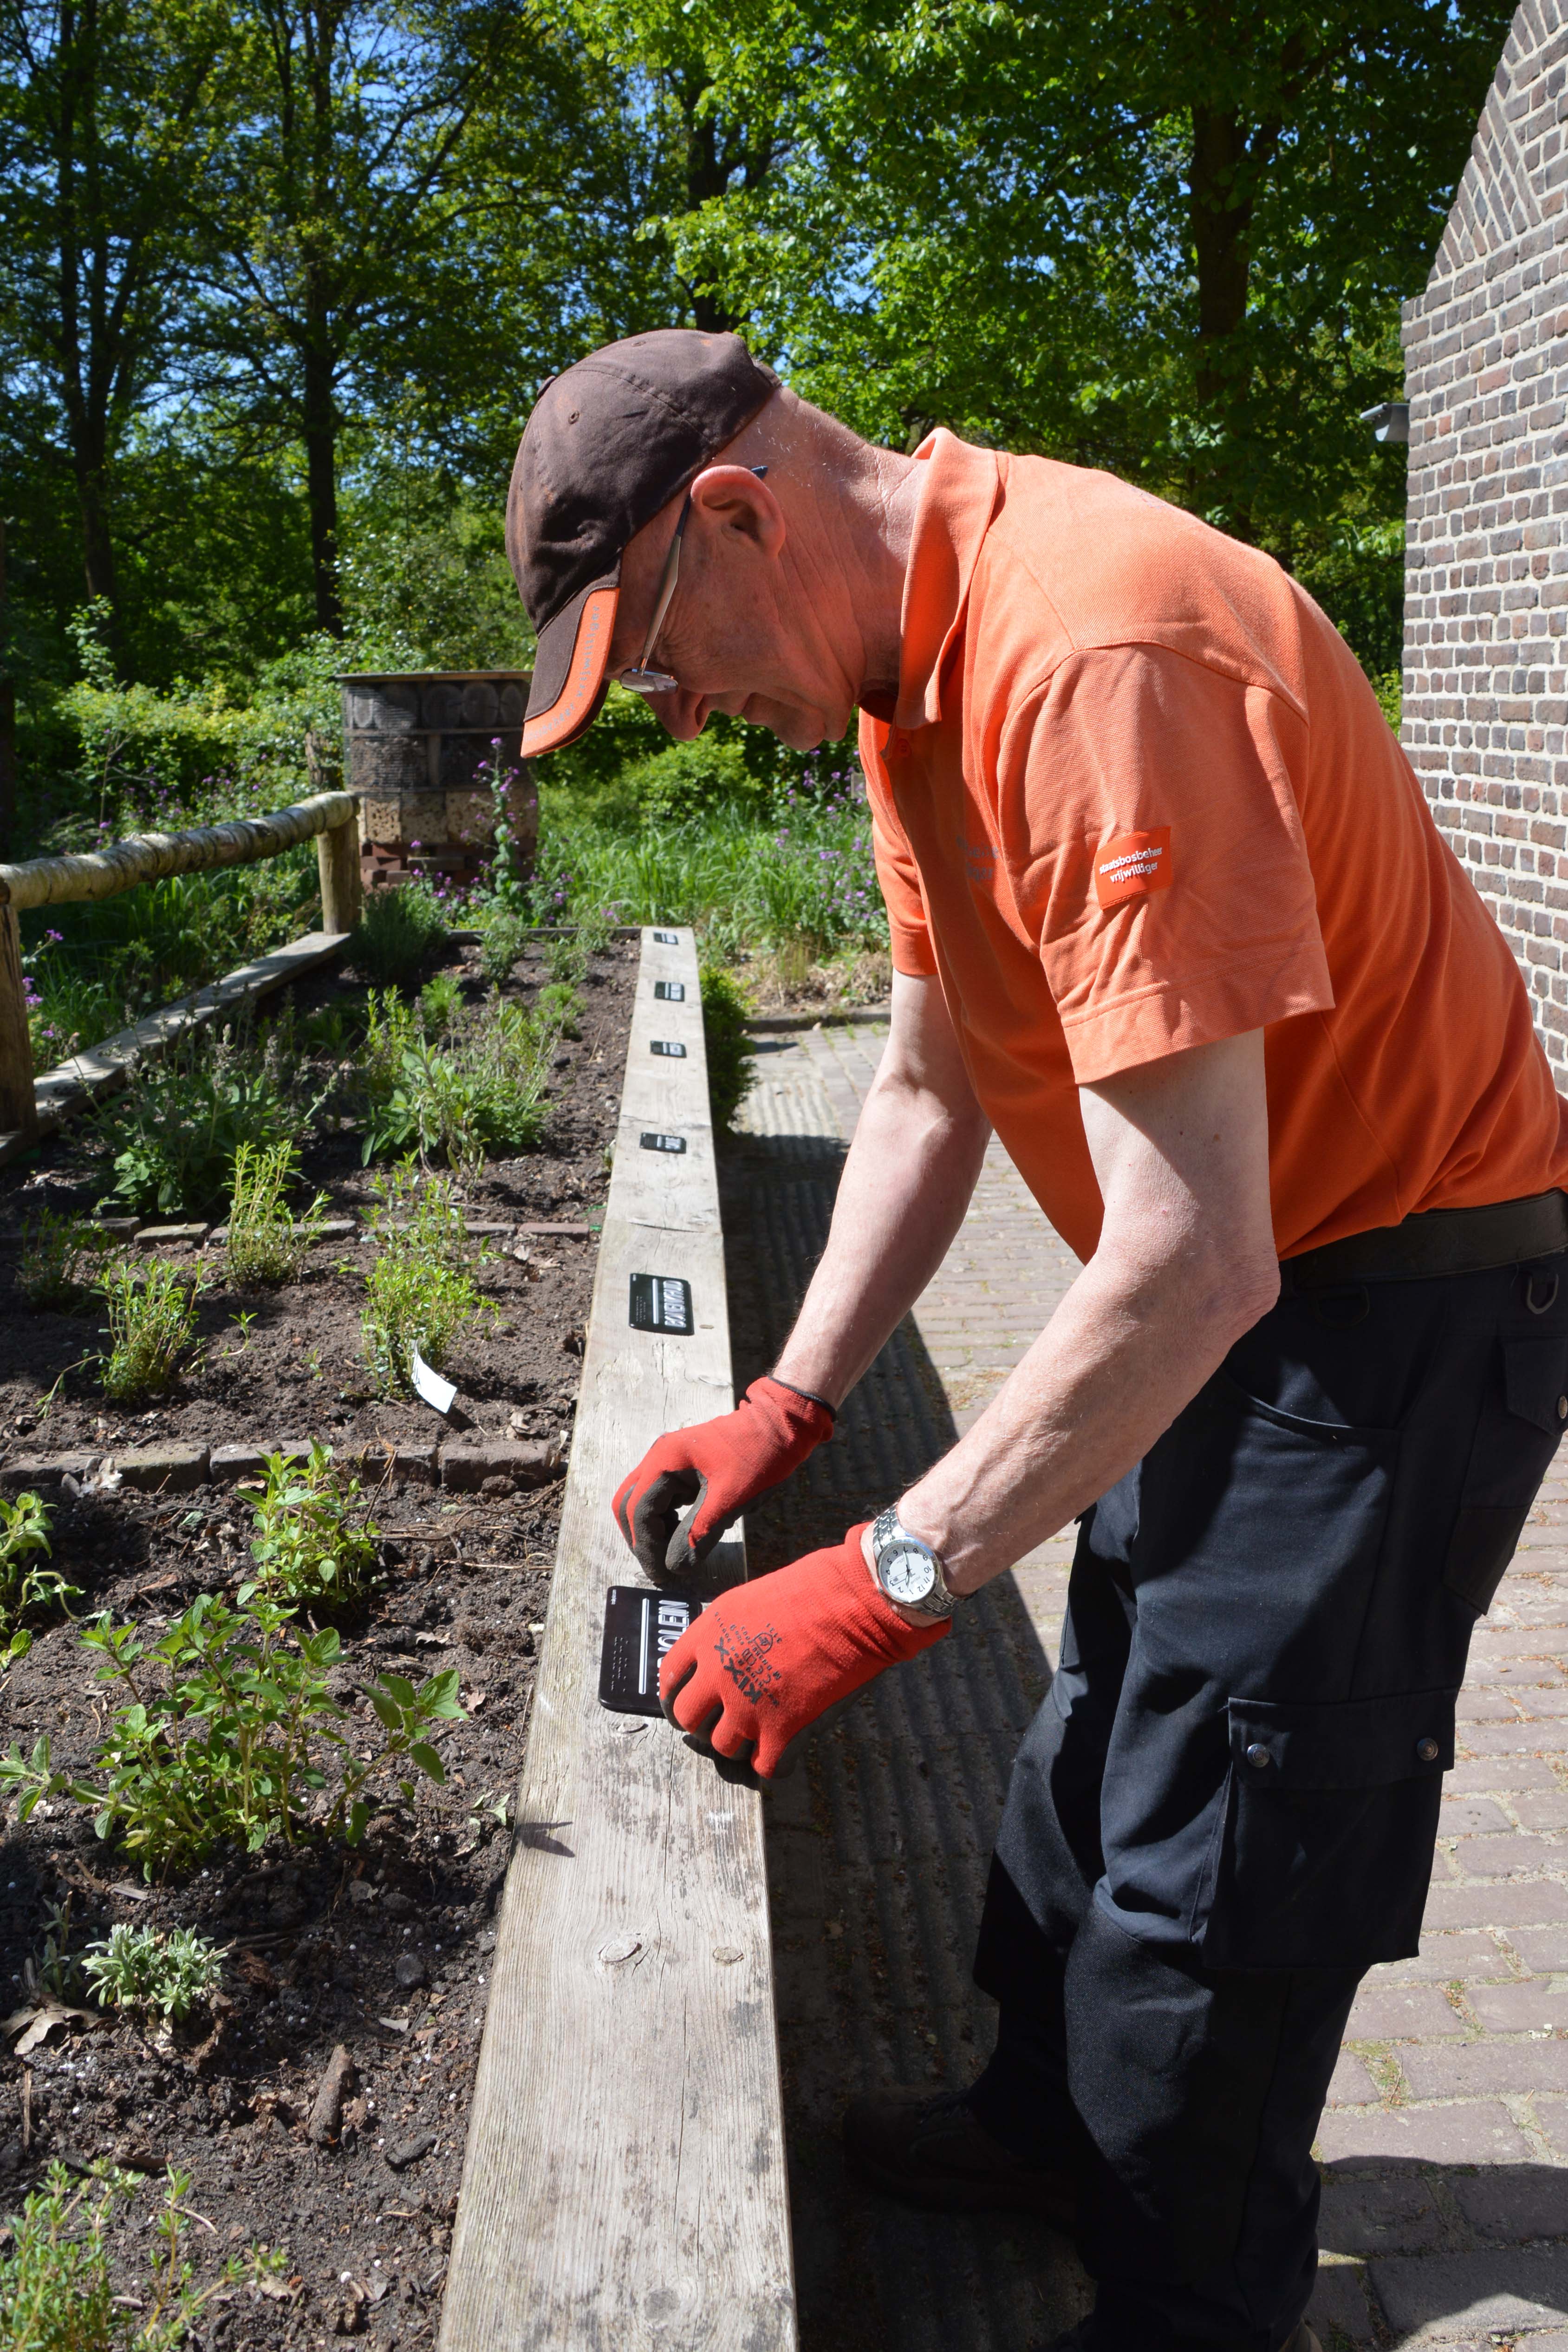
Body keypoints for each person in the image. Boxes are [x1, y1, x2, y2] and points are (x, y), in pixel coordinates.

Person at [506, 326, 1568, 2352]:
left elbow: (1189, 1252)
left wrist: (882, 1575)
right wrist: (789, 1402)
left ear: (736, 514)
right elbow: (921, 1087)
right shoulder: (915, 690)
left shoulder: (1093, 661)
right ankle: (1040, 2124)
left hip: (1395, 1297)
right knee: (1094, 1730)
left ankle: (1190, 2302)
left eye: (657, 654)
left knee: (1226, 1845)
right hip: (1245, 1277)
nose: (680, 711)